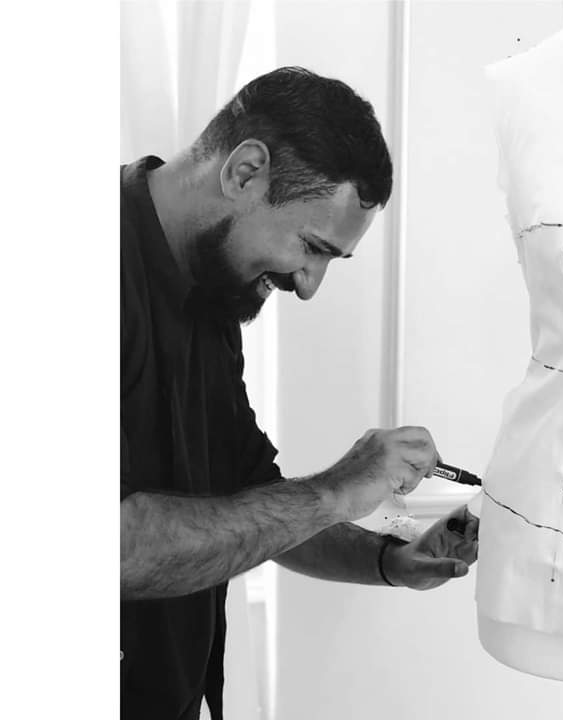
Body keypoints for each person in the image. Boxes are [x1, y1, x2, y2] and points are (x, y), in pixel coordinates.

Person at [121, 66, 479, 720]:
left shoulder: (212, 290)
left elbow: (248, 498)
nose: (309, 285)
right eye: (312, 247)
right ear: (246, 172)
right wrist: (335, 489)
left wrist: (388, 561)